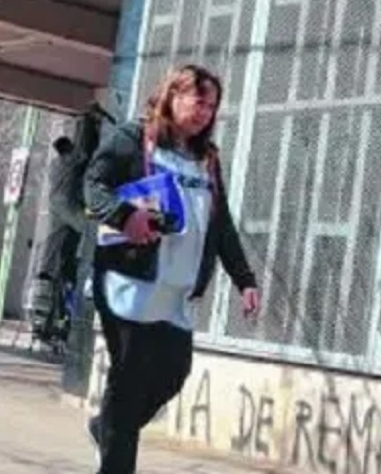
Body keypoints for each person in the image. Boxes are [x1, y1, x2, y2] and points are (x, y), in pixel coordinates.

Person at [84, 64, 260, 474]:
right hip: (129, 282)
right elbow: (93, 186)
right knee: (128, 383)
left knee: (172, 375)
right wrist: (124, 216)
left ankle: (107, 427)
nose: (205, 113)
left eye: (212, 106)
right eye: (199, 102)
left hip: (176, 291)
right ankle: (115, 450)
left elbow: (221, 224)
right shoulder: (135, 138)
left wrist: (245, 279)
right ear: (173, 96)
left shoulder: (207, 160)